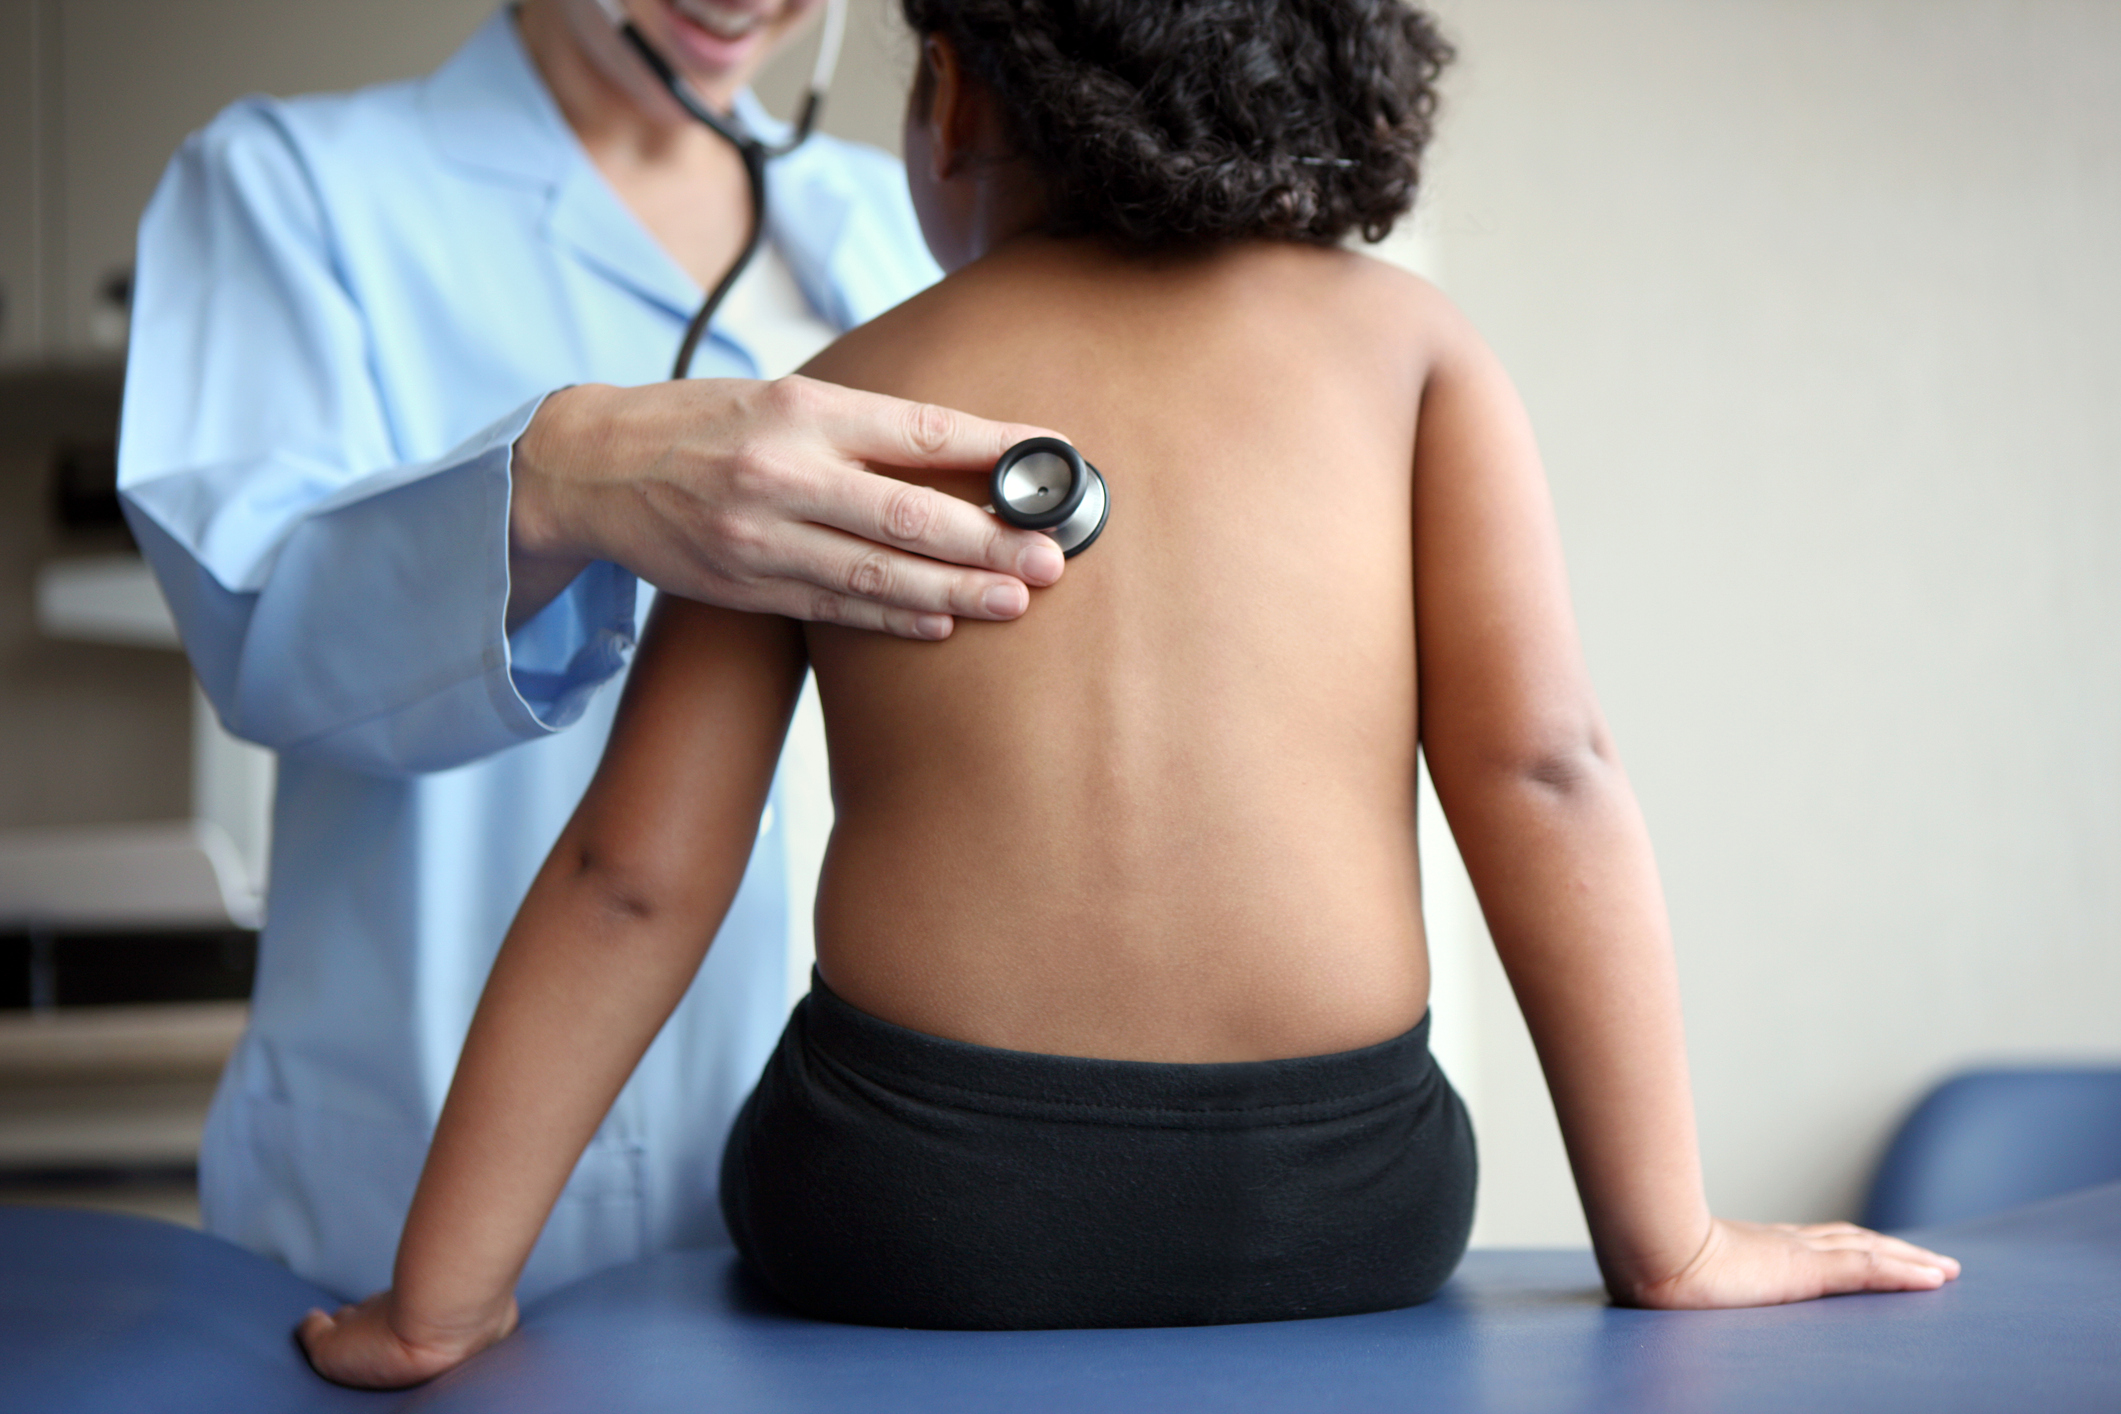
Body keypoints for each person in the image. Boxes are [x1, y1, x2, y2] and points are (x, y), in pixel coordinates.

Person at [299, 0, 1962, 1383]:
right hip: (1349, 1192)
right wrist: (1663, 1238)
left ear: (952, 95)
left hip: (904, 1201)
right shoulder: (1410, 353)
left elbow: (633, 877)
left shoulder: (821, 405)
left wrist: (435, 1300)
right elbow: (1542, 771)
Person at [116, 0, 1072, 1303]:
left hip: (879, 1168)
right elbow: (258, 624)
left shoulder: (911, 217)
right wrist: (550, 484)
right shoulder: (292, 184)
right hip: (426, 1145)